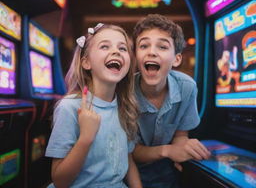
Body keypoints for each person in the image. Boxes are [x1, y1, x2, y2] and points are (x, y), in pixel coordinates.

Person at [45, 23, 142, 188]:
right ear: (86, 62)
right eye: (105, 46)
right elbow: (60, 181)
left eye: (123, 48)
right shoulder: (69, 107)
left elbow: (127, 157)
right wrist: (85, 138)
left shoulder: (125, 106)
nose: (116, 51)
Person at [132, 14, 211, 188]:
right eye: (144, 45)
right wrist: (168, 150)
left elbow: (180, 135)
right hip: (130, 178)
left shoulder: (187, 87)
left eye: (162, 46)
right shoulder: (125, 92)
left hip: (169, 177)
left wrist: (184, 148)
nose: (151, 51)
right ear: (135, 55)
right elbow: (129, 151)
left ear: (177, 59)